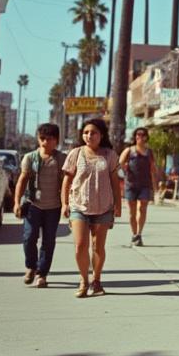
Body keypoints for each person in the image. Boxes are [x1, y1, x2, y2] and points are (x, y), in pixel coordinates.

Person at [61, 118, 122, 298]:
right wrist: (65, 203)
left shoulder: (110, 155)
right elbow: (67, 180)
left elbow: (114, 182)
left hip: (104, 207)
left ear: (101, 135)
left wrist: (118, 206)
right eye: (86, 132)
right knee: (80, 246)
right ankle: (83, 280)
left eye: (93, 132)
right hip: (78, 205)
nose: (89, 135)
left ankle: (96, 280)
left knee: (98, 247)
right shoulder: (75, 154)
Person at [13, 122, 64, 288]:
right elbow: (22, 180)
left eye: (49, 139)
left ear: (56, 140)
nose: (45, 142)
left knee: (48, 241)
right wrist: (16, 203)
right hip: (33, 205)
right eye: (42, 138)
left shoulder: (61, 158)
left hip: (53, 207)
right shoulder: (30, 158)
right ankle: (31, 267)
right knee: (29, 237)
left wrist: (66, 204)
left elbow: (67, 183)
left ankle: (42, 274)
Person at [119, 127, 158, 246]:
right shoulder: (129, 151)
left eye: (142, 135)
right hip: (130, 185)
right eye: (137, 135)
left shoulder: (149, 152)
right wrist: (125, 169)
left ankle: (139, 234)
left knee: (142, 209)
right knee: (131, 212)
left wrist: (155, 187)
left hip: (145, 185)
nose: (139, 137)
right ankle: (134, 233)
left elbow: (153, 169)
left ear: (146, 137)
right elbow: (119, 163)